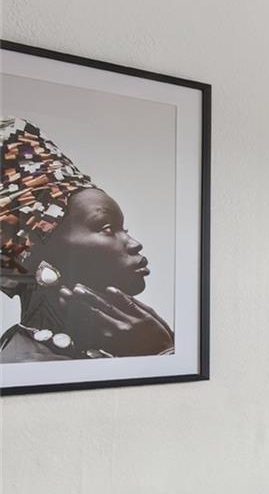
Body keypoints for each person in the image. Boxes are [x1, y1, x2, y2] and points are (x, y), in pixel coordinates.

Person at [0, 117, 173, 362]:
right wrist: (162, 351)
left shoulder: (96, 350)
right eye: (106, 227)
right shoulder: (25, 362)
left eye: (123, 228)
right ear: (28, 256)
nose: (134, 243)